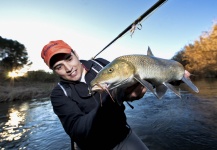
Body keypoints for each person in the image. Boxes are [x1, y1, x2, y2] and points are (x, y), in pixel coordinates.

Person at [41, 40, 149, 150]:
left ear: (76, 54)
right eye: (59, 67)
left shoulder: (100, 64)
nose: (69, 68)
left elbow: (125, 86)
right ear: (54, 71)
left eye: (69, 59)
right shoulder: (58, 94)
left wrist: (129, 92)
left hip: (123, 135)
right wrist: (113, 99)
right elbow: (77, 130)